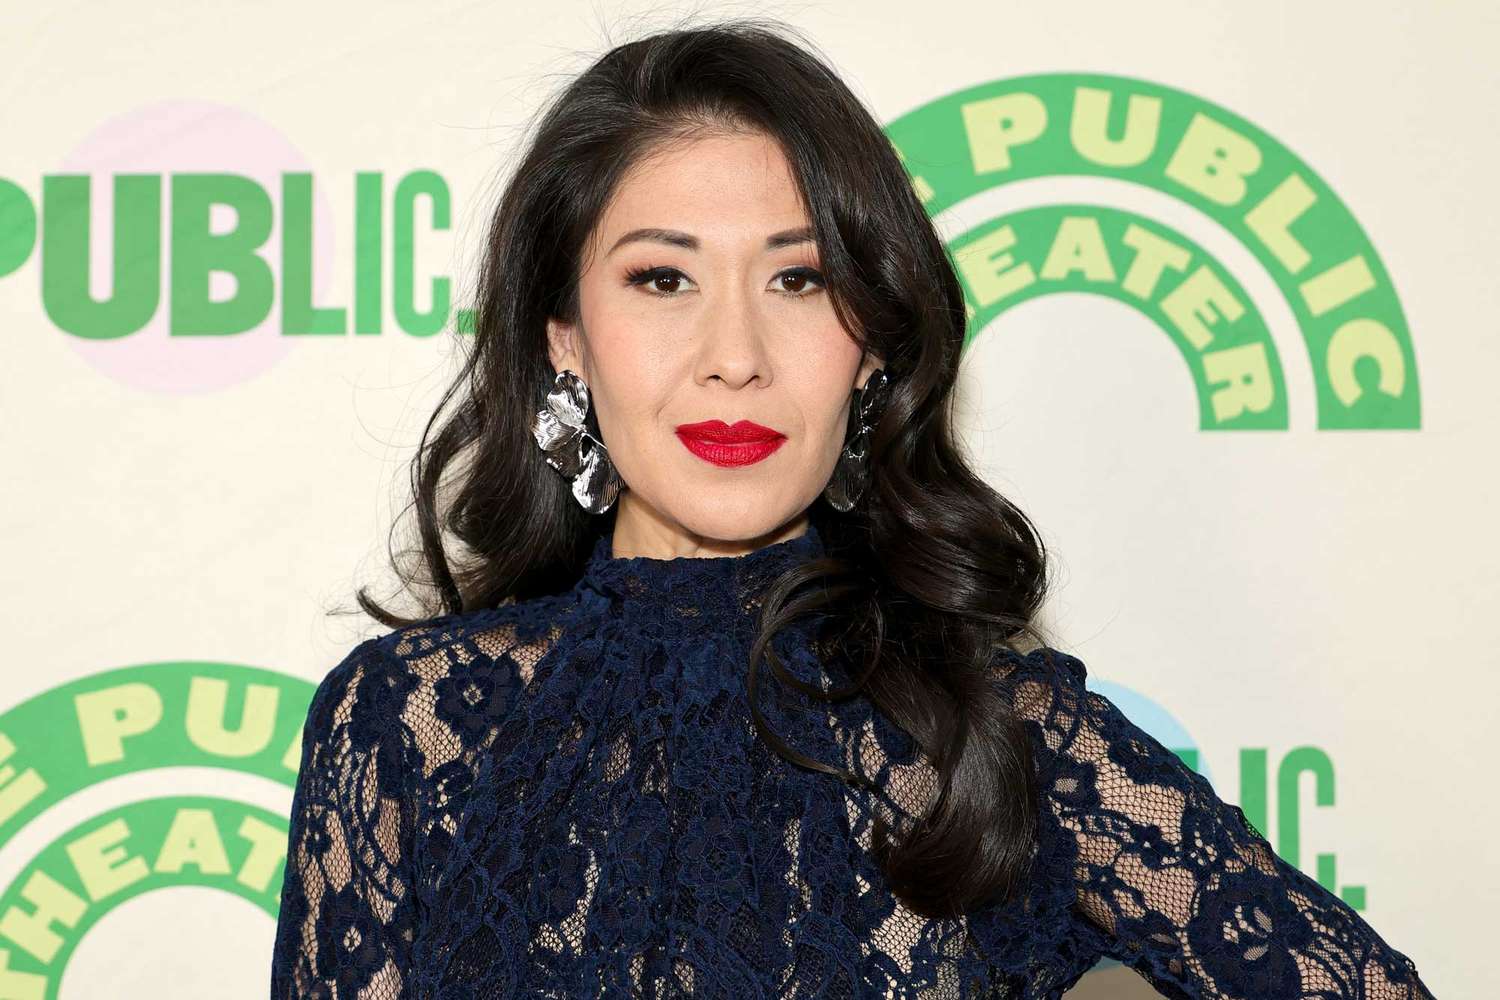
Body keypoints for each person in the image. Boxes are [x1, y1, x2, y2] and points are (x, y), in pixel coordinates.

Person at [268, 17, 1435, 1000]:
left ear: (871, 343)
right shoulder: (408, 729)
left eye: (800, 278)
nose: (735, 354)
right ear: (565, 336)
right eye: (663, 278)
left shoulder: (994, 734)